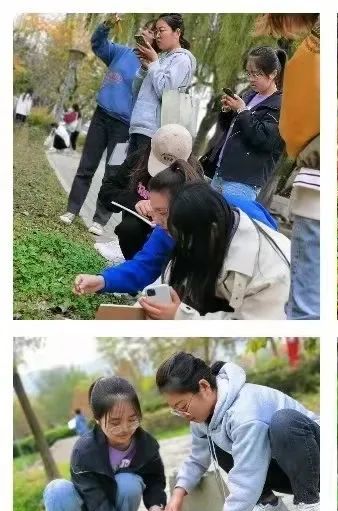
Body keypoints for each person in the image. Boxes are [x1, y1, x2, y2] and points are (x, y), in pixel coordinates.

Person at [73, 165, 290, 320]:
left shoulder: (263, 267)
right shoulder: (173, 226)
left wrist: (182, 317)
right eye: (154, 209)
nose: (155, 220)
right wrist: (103, 281)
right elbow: (145, 266)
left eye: (162, 212)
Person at [157, 353, 321, 511]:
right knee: (218, 441)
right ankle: (269, 505)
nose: (184, 416)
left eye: (183, 407)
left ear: (204, 387)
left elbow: (247, 478)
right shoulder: (204, 417)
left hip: (316, 464)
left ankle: (310, 504)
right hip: (285, 469)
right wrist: (178, 493)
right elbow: (197, 458)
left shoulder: (244, 413)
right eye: (176, 411)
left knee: (283, 422)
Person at [42, 377, 169, 511]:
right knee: (57, 490)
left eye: (132, 419)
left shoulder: (145, 444)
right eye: (115, 422)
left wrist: (156, 506)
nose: (125, 429)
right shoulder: (84, 452)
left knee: (129, 482)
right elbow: (97, 503)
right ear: (97, 420)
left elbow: (154, 479)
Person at [59, 16, 156, 236]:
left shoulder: (153, 67)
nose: (146, 32)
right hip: (101, 117)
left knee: (113, 173)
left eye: (151, 30)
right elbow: (98, 44)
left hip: (125, 128)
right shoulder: (121, 52)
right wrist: (106, 25)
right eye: (146, 28)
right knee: (87, 166)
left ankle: (100, 219)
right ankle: (72, 209)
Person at [257, 13, 320, 320]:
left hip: (316, 180)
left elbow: (289, 132)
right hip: (316, 176)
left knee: (306, 307)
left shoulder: (314, 49)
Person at [97, 123, 201, 259]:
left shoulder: (194, 175)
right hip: (137, 226)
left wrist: (167, 212)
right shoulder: (138, 159)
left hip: (170, 230)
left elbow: (197, 216)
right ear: (151, 147)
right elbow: (107, 190)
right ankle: (132, 260)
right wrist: (135, 202)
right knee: (129, 229)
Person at [201, 46, 285, 201]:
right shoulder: (248, 96)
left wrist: (242, 111)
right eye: (249, 73)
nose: (251, 78)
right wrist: (227, 112)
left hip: (243, 181)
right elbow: (229, 129)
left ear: (273, 74)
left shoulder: (280, 105)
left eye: (257, 74)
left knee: (232, 223)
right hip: (221, 172)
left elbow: (264, 139)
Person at [129, 13, 196, 157]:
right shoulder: (161, 60)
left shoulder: (182, 60)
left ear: (177, 32)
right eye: (156, 31)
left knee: (131, 178)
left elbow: (166, 93)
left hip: (153, 131)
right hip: (138, 126)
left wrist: (154, 62)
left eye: (162, 30)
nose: (157, 35)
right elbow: (135, 90)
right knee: (126, 178)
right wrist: (145, 68)